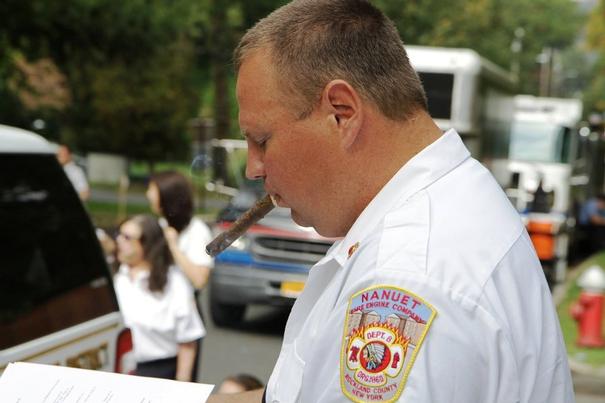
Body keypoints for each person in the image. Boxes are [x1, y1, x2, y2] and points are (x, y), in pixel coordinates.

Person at [209, 1, 574, 402]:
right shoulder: (452, 200)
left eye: (262, 140)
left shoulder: (405, 276)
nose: (254, 169)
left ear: (341, 113)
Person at [113, 214, 204, 381]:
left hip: (158, 372)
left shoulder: (174, 283)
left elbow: (188, 341)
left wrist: (181, 386)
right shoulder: (118, 278)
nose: (119, 240)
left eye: (127, 237)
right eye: (119, 234)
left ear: (146, 244)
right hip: (119, 370)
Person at [146, 170, 214, 381]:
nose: (148, 194)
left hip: (185, 313)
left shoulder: (196, 231)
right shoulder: (161, 225)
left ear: (166, 195)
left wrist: (174, 246)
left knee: (180, 380)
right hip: (158, 309)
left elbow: (200, 278)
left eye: (152, 189)